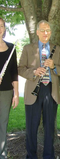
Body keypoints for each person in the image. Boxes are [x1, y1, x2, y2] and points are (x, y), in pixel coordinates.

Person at [18, 20, 60, 159]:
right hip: (34, 89)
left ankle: (48, 156)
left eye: (48, 30)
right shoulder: (28, 48)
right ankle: (31, 156)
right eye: (43, 30)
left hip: (51, 90)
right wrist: (33, 72)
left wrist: (54, 67)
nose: (46, 33)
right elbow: (20, 69)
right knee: (31, 127)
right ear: (37, 32)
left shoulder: (57, 49)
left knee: (49, 127)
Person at [0, 17, 19, 158]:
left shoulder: (11, 48)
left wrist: (16, 94)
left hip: (6, 92)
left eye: (1, 25)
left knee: (3, 123)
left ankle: (2, 153)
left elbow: (14, 72)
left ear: (4, 29)